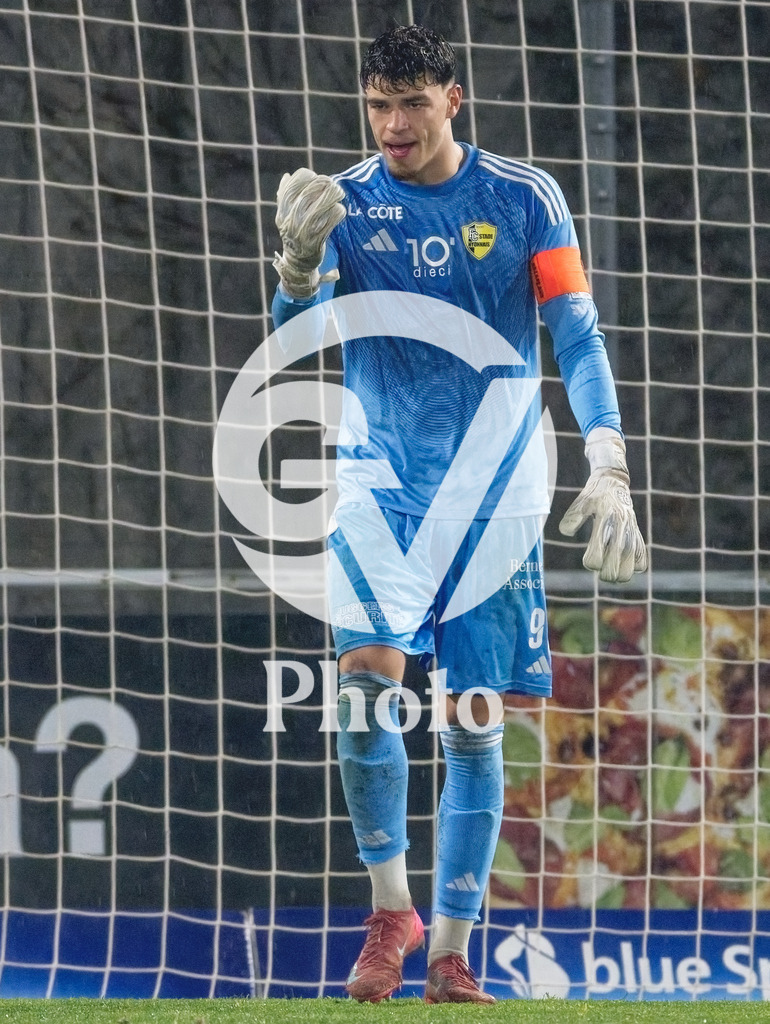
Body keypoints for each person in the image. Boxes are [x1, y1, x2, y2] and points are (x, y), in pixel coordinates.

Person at [270, 24, 647, 1004]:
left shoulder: (522, 198)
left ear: (452, 98)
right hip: (378, 480)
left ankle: (447, 951)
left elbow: (574, 325)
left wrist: (605, 456)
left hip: (495, 490)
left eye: (410, 103)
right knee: (360, 694)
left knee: (471, 727)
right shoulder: (345, 199)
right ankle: (389, 908)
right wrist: (299, 270)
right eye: (377, 105)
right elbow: (291, 339)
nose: (392, 124)